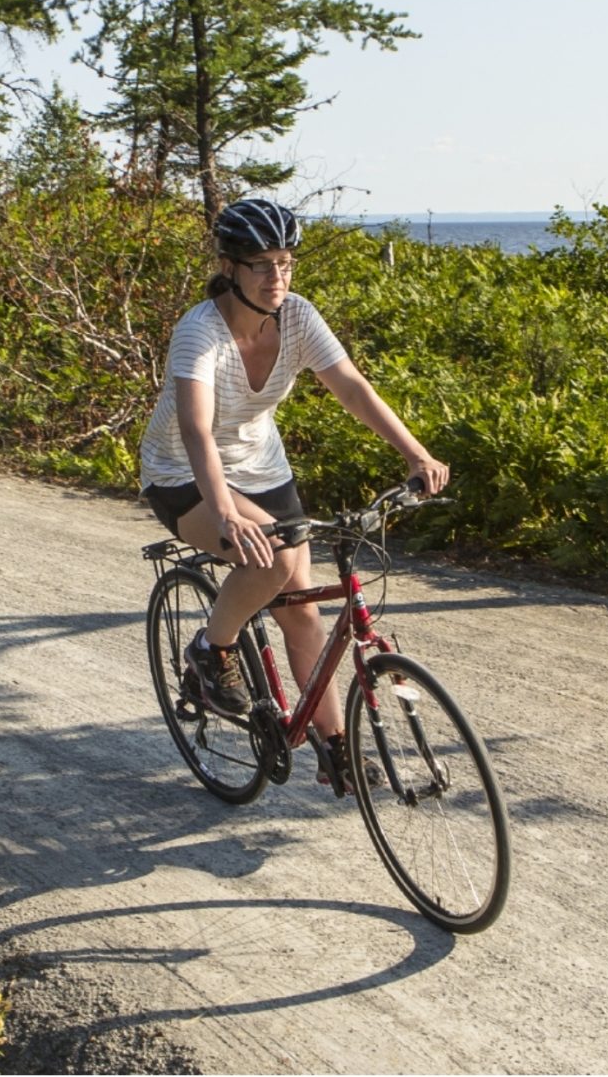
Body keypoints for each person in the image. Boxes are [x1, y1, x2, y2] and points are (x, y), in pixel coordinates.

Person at [140, 197, 451, 795]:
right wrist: (226, 512)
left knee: (303, 610)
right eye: (262, 265)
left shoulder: (299, 318)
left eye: (286, 263)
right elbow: (196, 429)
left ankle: (334, 747)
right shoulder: (198, 333)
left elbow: (352, 387)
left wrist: (415, 454)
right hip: (183, 474)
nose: (278, 278)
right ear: (229, 268)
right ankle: (211, 649)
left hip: (263, 470)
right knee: (275, 559)